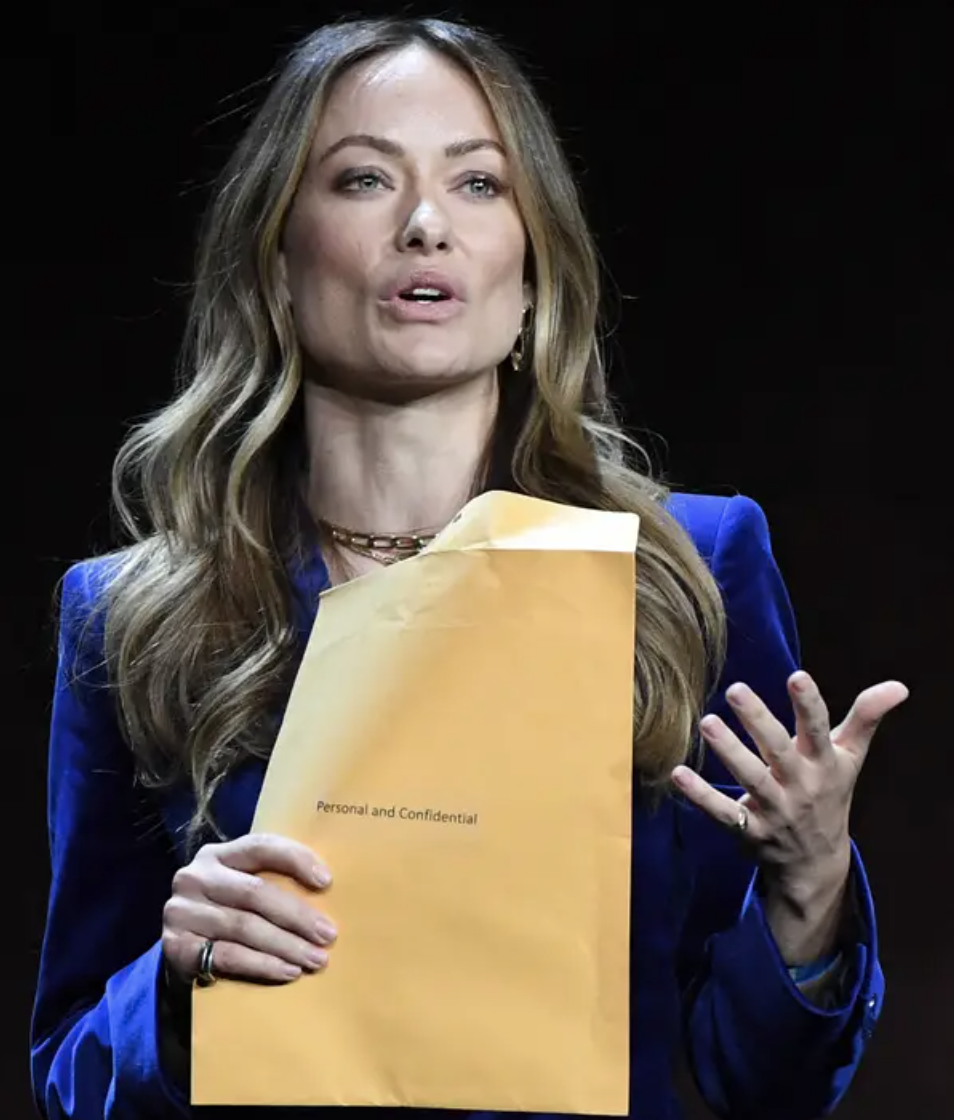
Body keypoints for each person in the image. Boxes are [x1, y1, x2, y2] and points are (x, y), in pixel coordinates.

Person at [31, 15, 907, 1120]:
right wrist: (167, 993)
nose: (427, 224)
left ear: (534, 273)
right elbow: (71, 1074)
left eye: (480, 184)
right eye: (362, 178)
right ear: (276, 263)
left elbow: (761, 1086)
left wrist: (812, 884)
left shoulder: (683, 566)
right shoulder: (129, 615)